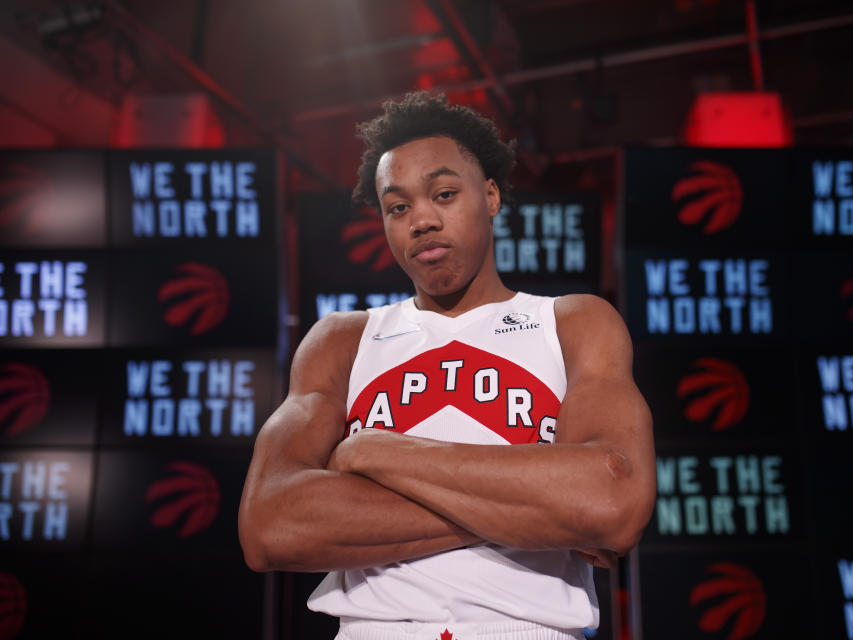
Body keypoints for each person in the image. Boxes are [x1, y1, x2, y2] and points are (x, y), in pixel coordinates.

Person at [238, 91, 656, 640]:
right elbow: (271, 525)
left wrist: (372, 452)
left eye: (444, 193)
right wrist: (536, 512)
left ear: (489, 196)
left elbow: (610, 502)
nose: (422, 221)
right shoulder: (342, 340)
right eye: (398, 207)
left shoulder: (573, 322)